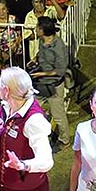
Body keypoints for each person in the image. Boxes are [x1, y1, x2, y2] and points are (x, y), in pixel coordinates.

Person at [31, 16, 70, 148]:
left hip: (54, 85)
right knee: (34, 108)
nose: (35, 29)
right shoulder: (42, 42)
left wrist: (42, 73)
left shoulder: (58, 47)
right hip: (41, 83)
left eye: (38, 27)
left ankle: (64, 139)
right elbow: (41, 54)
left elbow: (60, 69)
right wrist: (35, 60)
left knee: (58, 115)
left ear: (43, 30)